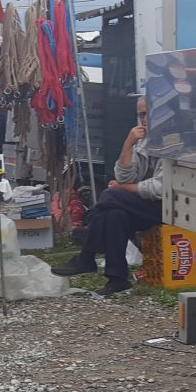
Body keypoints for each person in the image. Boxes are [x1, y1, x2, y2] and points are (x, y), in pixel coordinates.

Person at [51, 100, 163, 297]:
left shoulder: (173, 143)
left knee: (110, 195)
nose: (144, 120)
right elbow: (124, 176)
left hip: (170, 207)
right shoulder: (143, 141)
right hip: (144, 204)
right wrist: (128, 143)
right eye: (141, 115)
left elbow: (160, 189)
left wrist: (122, 188)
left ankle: (87, 254)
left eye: (148, 114)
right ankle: (117, 278)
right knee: (114, 215)